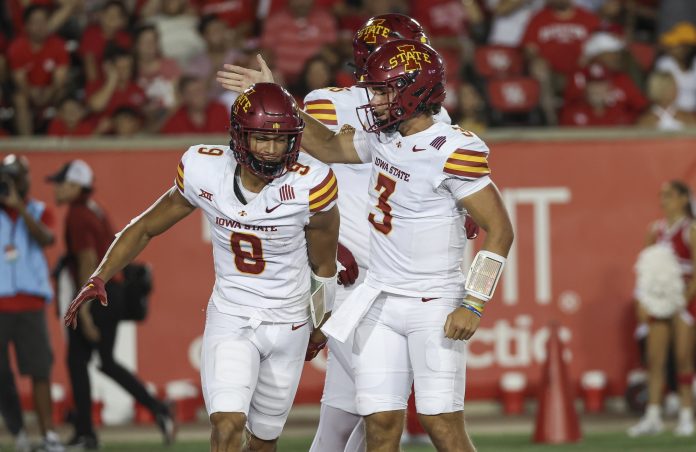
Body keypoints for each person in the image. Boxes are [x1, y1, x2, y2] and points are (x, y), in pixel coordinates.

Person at [221, 39, 514, 451]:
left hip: (432, 301)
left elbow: (500, 230)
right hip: (380, 298)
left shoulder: (452, 149)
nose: (371, 99)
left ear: (413, 90)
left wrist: (474, 301)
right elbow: (324, 145)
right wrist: (278, 99)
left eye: (380, 90)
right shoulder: (384, 137)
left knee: (441, 423)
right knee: (379, 423)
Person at [62, 83, 340, 452]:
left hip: (288, 321)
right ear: (240, 135)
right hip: (232, 315)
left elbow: (323, 265)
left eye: (282, 140)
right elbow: (145, 225)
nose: (272, 151)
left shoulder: (311, 185)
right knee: (226, 425)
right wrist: (100, 275)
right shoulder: (204, 169)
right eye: (262, 139)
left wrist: (320, 326)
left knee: (263, 442)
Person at [47, 159, 175, 449]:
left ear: (76, 185)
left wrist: (86, 310)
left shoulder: (78, 214)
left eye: (62, 182)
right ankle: (157, 408)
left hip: (99, 297)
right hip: (112, 294)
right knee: (99, 361)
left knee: (80, 361)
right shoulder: (93, 208)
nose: (56, 188)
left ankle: (87, 434)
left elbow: (87, 261)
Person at [0, 155, 63, 452]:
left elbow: (46, 238)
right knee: (1, 375)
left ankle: (48, 435)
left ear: (26, 179)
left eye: (18, 176)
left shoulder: (37, 210)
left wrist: (19, 208)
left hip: (30, 304)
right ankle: (18, 432)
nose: (13, 182)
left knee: (39, 371)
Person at [629, 181, 696, 437]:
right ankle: (653, 416)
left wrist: (682, 298)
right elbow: (644, 266)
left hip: (684, 300)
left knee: (683, 358)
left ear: (682, 199)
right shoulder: (654, 230)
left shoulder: (691, 229)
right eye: (661, 196)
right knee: (655, 360)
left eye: (668, 195)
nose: (663, 200)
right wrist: (641, 299)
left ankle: (687, 416)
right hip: (658, 300)